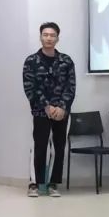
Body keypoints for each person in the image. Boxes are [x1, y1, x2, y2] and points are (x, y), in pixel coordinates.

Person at [22, 22, 76, 198]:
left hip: (61, 113)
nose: (49, 38)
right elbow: (30, 87)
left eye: (52, 35)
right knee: (39, 147)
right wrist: (46, 106)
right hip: (40, 111)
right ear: (40, 37)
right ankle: (35, 183)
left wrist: (62, 107)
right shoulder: (31, 61)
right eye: (45, 35)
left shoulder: (66, 61)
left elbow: (71, 87)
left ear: (57, 38)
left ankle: (53, 184)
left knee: (58, 148)